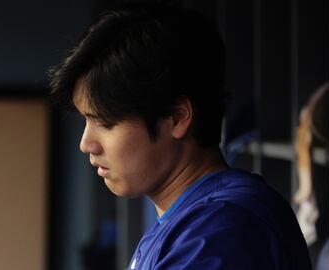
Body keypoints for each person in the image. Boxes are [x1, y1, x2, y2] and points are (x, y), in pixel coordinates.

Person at [49, 3, 312, 269]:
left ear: (176, 117)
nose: (86, 144)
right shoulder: (186, 220)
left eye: (105, 122)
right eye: (85, 120)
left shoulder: (220, 231)